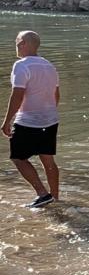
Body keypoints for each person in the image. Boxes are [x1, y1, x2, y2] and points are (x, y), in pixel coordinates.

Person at [2, 30, 60, 208]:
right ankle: (55, 198)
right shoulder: (49, 66)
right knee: (48, 160)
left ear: (24, 44)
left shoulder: (21, 65)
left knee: (18, 158)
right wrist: (46, 112)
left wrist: (6, 122)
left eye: (18, 42)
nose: (16, 45)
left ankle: (43, 194)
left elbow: (17, 95)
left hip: (28, 121)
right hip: (50, 120)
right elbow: (56, 95)